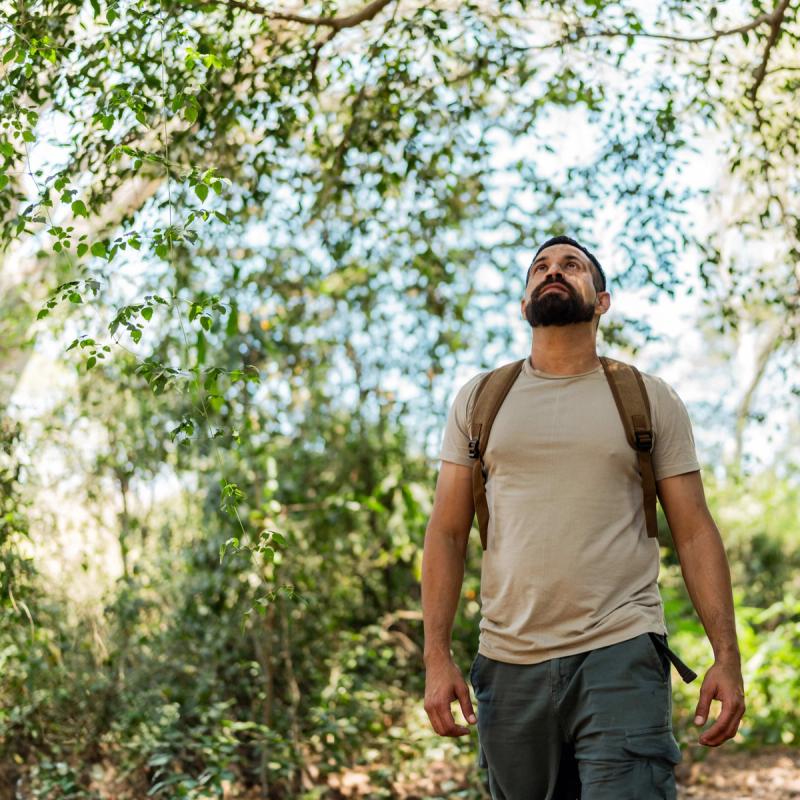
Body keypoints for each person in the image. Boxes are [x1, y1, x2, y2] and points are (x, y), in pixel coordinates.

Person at [421, 236, 745, 799]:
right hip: (507, 660)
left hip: (620, 648)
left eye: (571, 265)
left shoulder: (647, 398)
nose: (554, 271)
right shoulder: (479, 400)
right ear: (525, 305)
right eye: (540, 268)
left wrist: (728, 656)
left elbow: (694, 532)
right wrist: (436, 657)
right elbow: (447, 534)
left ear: (601, 301)